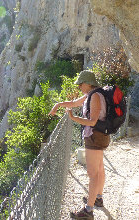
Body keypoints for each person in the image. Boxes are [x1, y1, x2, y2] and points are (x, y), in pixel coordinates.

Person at [48, 70, 110, 220]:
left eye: (81, 84)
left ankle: (88, 211)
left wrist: (73, 117)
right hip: (99, 136)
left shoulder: (95, 96)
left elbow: (92, 122)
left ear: (89, 83)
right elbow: (75, 103)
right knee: (99, 169)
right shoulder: (92, 94)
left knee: (93, 173)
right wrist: (58, 105)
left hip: (94, 137)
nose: (79, 87)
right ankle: (98, 198)